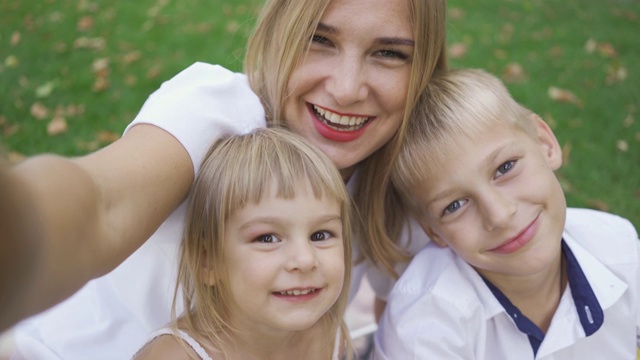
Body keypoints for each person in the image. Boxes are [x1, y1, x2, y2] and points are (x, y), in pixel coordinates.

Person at [9, 0, 446, 358]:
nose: (348, 88)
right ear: (279, 34)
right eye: (318, 39)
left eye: (389, 53)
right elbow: (100, 207)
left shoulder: (397, 175)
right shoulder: (217, 113)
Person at [373, 68, 640, 359]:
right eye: (454, 206)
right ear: (433, 230)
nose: (499, 215)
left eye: (505, 167)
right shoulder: (425, 330)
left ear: (545, 144)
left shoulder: (619, 247)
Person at [134, 128, 353, 360]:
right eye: (267, 238)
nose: (305, 260)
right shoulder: (177, 357)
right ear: (208, 261)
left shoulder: (327, 332)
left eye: (320, 235)